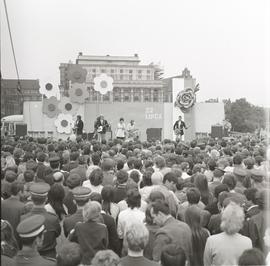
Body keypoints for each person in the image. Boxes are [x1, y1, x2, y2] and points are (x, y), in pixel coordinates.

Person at [203, 201, 252, 266]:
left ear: (223, 219)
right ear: (241, 221)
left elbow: (207, 263)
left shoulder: (211, 240)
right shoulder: (247, 242)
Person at [20, 182, 61, 259]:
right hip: (49, 256)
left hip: (29, 257)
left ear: (31, 198)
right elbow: (57, 234)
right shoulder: (53, 219)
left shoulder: (23, 218)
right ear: (46, 199)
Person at [69, 201, 108, 265]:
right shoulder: (103, 228)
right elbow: (105, 245)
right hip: (98, 261)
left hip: (84, 261)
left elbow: (71, 240)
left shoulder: (78, 226)